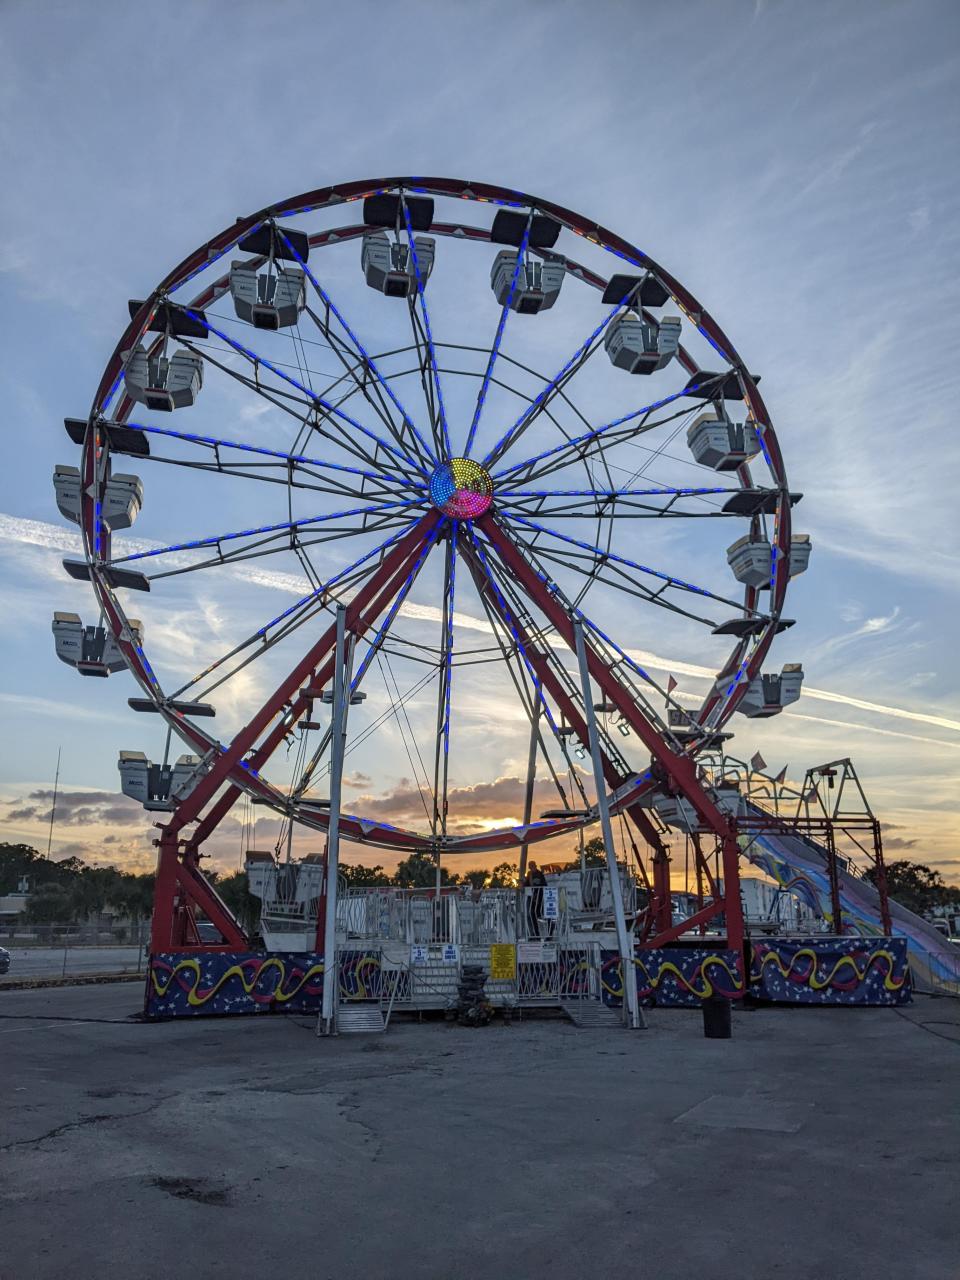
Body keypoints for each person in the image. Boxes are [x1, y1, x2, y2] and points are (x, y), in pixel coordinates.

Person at [525, 861, 546, 938]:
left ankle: (541, 933)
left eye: (532, 866)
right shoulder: (529, 874)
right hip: (532, 898)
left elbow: (544, 885)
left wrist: (538, 892)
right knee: (532, 914)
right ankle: (536, 933)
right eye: (530, 866)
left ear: (535, 866)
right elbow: (526, 884)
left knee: (539, 914)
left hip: (539, 898)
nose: (531, 867)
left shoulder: (540, 874)